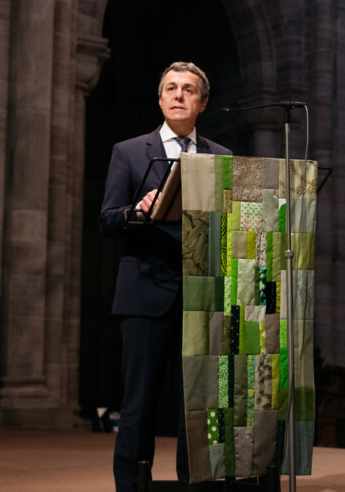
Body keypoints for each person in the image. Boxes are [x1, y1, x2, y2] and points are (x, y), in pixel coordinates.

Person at [98, 61, 232, 491]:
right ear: (160, 100)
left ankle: (196, 484)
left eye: (188, 90)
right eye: (171, 88)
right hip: (145, 291)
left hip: (202, 295)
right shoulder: (129, 151)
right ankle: (132, 487)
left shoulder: (222, 158)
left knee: (199, 405)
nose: (178, 95)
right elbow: (106, 220)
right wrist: (137, 210)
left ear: (202, 103)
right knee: (138, 402)